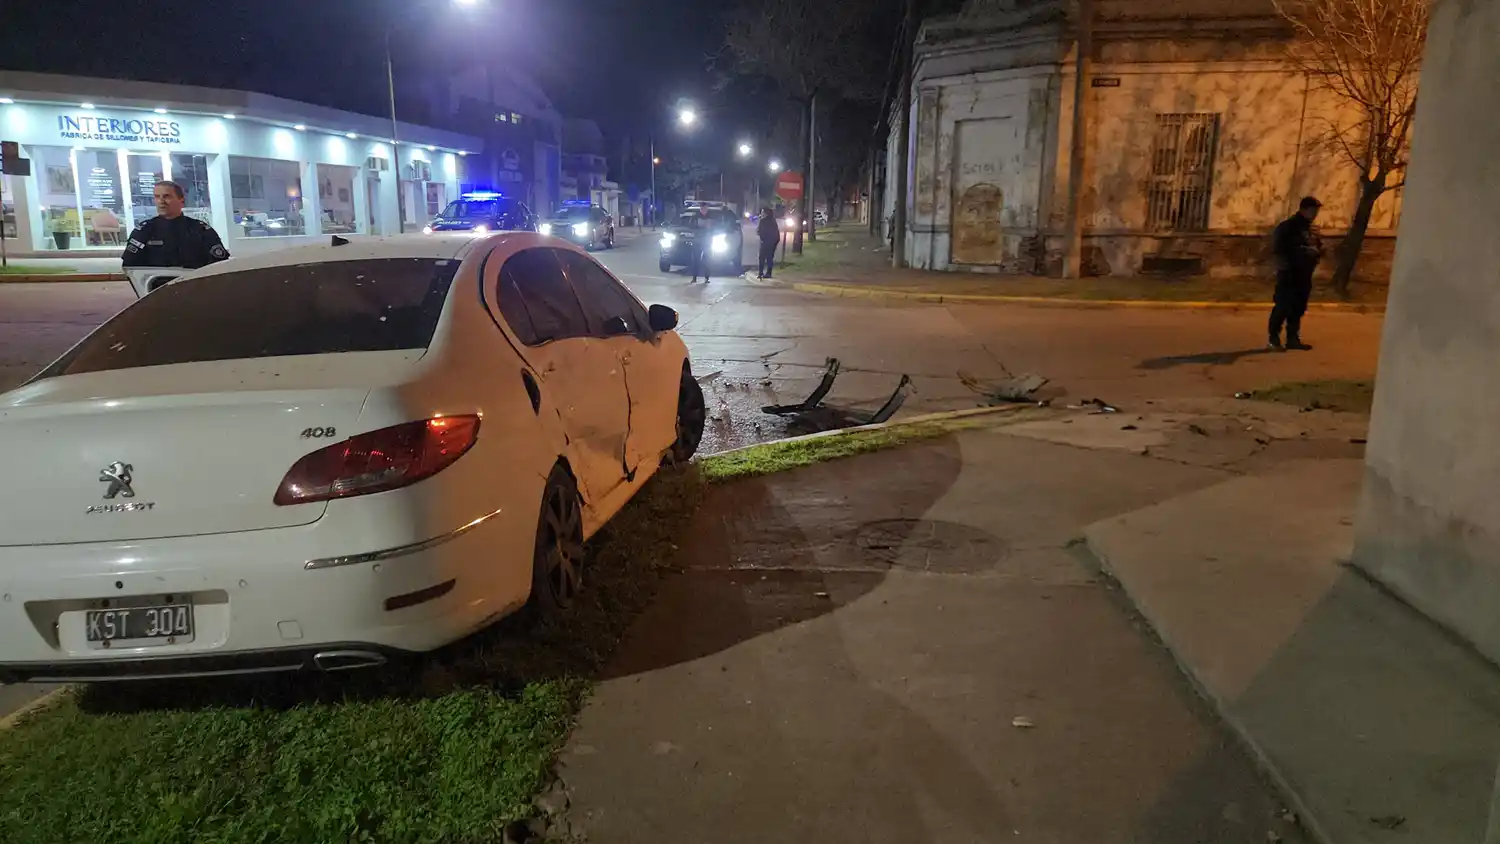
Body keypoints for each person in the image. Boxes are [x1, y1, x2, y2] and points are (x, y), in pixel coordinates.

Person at [122, 180, 230, 269]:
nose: (161, 201)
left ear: (181, 200)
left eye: (166, 196)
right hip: (157, 289)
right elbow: (130, 266)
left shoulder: (200, 230)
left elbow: (220, 264)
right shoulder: (144, 230)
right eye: (157, 197)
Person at [1268, 196, 1323, 351]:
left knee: (1298, 307)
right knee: (1282, 306)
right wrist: (1306, 251)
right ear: (1304, 209)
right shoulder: (1289, 227)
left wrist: (1319, 250)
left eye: (1317, 210)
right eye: (1313, 210)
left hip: (1304, 274)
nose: (1315, 213)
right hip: (1289, 273)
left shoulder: (1310, 229)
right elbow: (1282, 248)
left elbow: (1317, 248)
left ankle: (1292, 338)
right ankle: (1273, 338)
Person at [756, 206, 780, 279]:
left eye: (763, 212)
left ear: (766, 213)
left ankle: (761, 273)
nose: (762, 213)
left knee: (762, 257)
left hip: (767, 242)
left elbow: (760, 231)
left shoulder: (763, 221)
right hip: (772, 242)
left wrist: (762, 237)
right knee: (769, 258)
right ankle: (767, 273)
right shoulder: (773, 221)